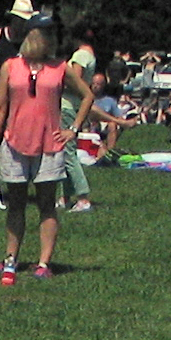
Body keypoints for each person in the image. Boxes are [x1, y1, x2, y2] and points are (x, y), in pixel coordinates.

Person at [0, 16, 93, 285]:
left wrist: (74, 129)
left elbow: (87, 96)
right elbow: (0, 108)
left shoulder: (60, 67)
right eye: (41, 33)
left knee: (46, 204)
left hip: (50, 143)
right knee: (16, 203)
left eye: (49, 34)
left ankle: (44, 262)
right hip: (14, 141)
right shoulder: (11, 66)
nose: (45, 39)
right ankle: (11, 256)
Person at [59, 26, 99, 212]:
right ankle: (65, 196)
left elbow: (74, 82)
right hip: (74, 107)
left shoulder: (80, 56)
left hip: (67, 106)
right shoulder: (90, 55)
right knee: (64, 153)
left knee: (68, 153)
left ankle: (82, 197)